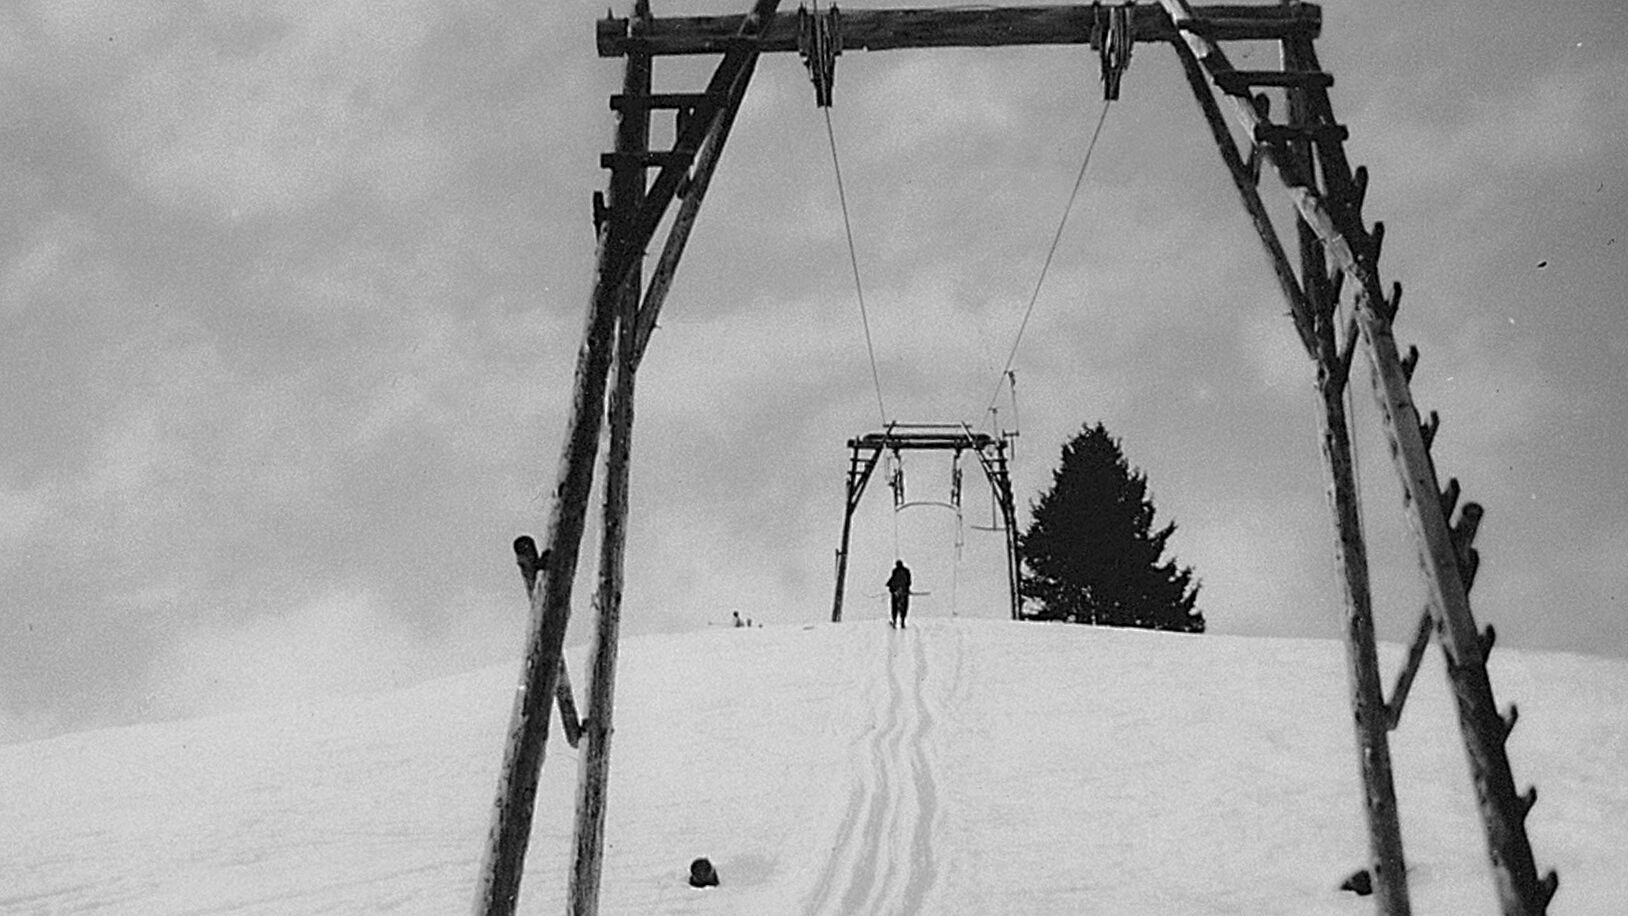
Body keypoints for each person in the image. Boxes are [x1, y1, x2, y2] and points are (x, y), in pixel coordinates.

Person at [886, 559, 913, 628]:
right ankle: (903, 621)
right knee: (904, 606)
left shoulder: (895, 571)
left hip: (895, 592)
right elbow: (909, 582)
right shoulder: (906, 571)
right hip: (904, 592)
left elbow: (892, 580)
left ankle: (894, 621)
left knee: (894, 606)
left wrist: (888, 585)